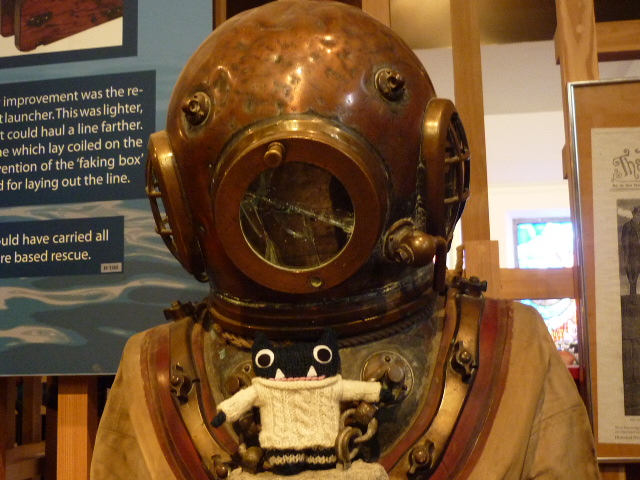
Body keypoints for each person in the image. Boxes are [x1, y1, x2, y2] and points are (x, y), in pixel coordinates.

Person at [91, 2, 600, 479]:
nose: (305, 220)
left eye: (325, 197)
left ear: (181, 203)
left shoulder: (512, 354)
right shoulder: (153, 374)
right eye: (282, 195)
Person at [621, 206, 640, 295]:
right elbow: (624, 241)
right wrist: (626, 255)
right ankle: (633, 296)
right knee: (633, 277)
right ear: (633, 214)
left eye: (639, 214)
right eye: (637, 214)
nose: (638, 216)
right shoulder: (627, 225)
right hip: (632, 255)